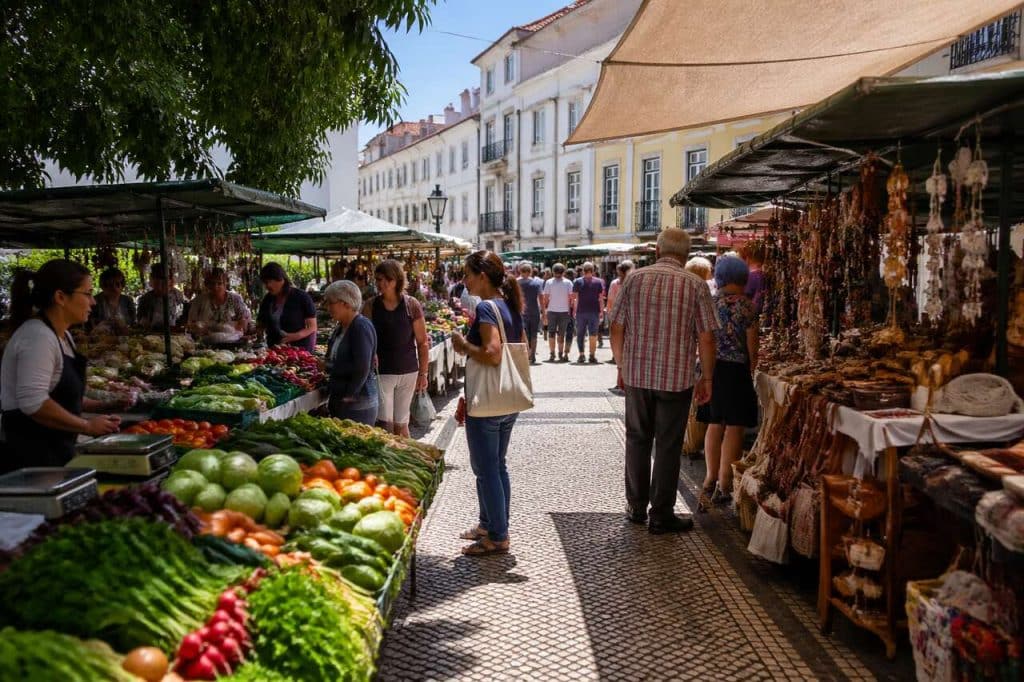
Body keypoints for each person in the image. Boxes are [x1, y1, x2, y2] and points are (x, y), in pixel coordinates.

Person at [609, 228, 718, 534]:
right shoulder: (696, 284)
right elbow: (707, 337)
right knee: (669, 445)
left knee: (637, 440)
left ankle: (636, 507)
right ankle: (660, 514)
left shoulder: (634, 279)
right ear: (685, 255)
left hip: (638, 376)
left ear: (657, 251)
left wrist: (621, 364)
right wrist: (707, 377)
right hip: (676, 378)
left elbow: (616, 326)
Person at [1, 260, 121, 471]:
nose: (93, 301)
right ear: (60, 297)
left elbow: (61, 396)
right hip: (33, 458)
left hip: (57, 451)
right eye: (87, 293)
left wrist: (105, 404)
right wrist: (87, 426)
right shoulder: (37, 337)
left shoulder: (62, 335)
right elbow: (34, 403)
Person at [451, 250, 525, 556]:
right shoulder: (510, 305)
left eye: (467, 274)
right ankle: (490, 524)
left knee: (487, 470)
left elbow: (493, 354)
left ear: (482, 276)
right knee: (497, 466)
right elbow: (521, 347)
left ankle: (497, 535)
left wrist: (463, 345)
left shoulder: (485, 307)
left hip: (488, 404)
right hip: (507, 398)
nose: (464, 280)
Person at [697, 255, 760, 512]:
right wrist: (753, 366)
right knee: (734, 426)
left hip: (712, 369)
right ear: (742, 278)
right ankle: (725, 483)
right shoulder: (747, 307)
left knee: (714, 423)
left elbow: (703, 338)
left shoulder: (710, 304)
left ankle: (709, 478)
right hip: (736, 371)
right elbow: (752, 346)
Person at [363, 259, 430, 437]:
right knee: (385, 426)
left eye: (388, 279)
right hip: (382, 373)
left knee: (402, 424)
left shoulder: (411, 305)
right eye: (378, 279)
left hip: (408, 372)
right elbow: (364, 338)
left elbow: (422, 342)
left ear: (397, 280)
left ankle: (409, 455)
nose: (382, 284)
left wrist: (423, 373)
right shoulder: (370, 306)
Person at [324, 280, 379, 425]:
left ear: (346, 304)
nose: (328, 307)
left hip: (357, 403)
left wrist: (350, 394)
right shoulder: (341, 327)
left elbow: (362, 366)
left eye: (331, 303)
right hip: (342, 399)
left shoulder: (360, 327)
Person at [256, 262, 317, 352]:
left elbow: (312, 327)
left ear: (281, 279)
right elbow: (261, 321)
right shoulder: (268, 299)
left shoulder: (302, 297)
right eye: (265, 283)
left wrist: (294, 336)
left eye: (270, 282)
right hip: (275, 349)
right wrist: (257, 331)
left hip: (300, 350)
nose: (267, 286)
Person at [187, 267, 251, 336]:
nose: (215, 287)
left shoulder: (235, 299)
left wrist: (240, 324)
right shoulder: (199, 300)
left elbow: (244, 320)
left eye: (219, 283)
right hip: (205, 339)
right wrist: (198, 327)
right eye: (212, 283)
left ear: (225, 284)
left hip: (232, 340)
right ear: (208, 285)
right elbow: (191, 323)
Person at [606, 260, 634, 393]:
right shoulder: (635, 282)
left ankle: (620, 382)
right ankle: (627, 383)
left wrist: (610, 316)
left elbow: (610, 302)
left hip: (618, 320)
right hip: (632, 321)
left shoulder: (615, 283)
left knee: (618, 352)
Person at [136, 262, 186, 331]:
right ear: (152, 281)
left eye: (165, 282)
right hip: (152, 334)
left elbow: (184, 316)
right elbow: (140, 320)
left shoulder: (177, 295)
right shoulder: (146, 299)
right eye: (158, 282)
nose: (161, 286)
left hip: (173, 333)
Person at [572, 262, 605, 364]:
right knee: (593, 334)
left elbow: (575, 298)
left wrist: (574, 310)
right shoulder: (599, 282)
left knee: (580, 334)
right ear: (593, 270)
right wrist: (601, 311)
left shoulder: (577, 281)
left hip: (581, 311)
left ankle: (581, 355)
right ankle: (592, 355)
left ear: (583, 270)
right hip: (594, 311)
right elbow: (601, 298)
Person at [541, 263, 573, 362]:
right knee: (561, 333)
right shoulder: (568, 282)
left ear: (553, 272)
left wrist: (544, 310)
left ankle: (552, 353)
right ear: (564, 272)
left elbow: (546, 298)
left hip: (551, 311)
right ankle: (560, 353)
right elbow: (571, 298)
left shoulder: (549, 282)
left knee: (551, 333)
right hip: (564, 311)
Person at [516, 262, 543, 365]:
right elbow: (541, 298)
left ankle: (526, 354)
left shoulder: (516, 283)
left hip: (521, 312)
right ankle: (533, 355)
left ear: (520, 271)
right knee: (534, 334)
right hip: (534, 311)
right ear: (530, 272)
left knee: (524, 334)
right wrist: (543, 312)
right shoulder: (536, 283)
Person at [739, 240, 766, 314]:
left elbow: (746, 295)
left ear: (747, 257)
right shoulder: (763, 273)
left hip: (752, 311)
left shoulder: (751, 276)